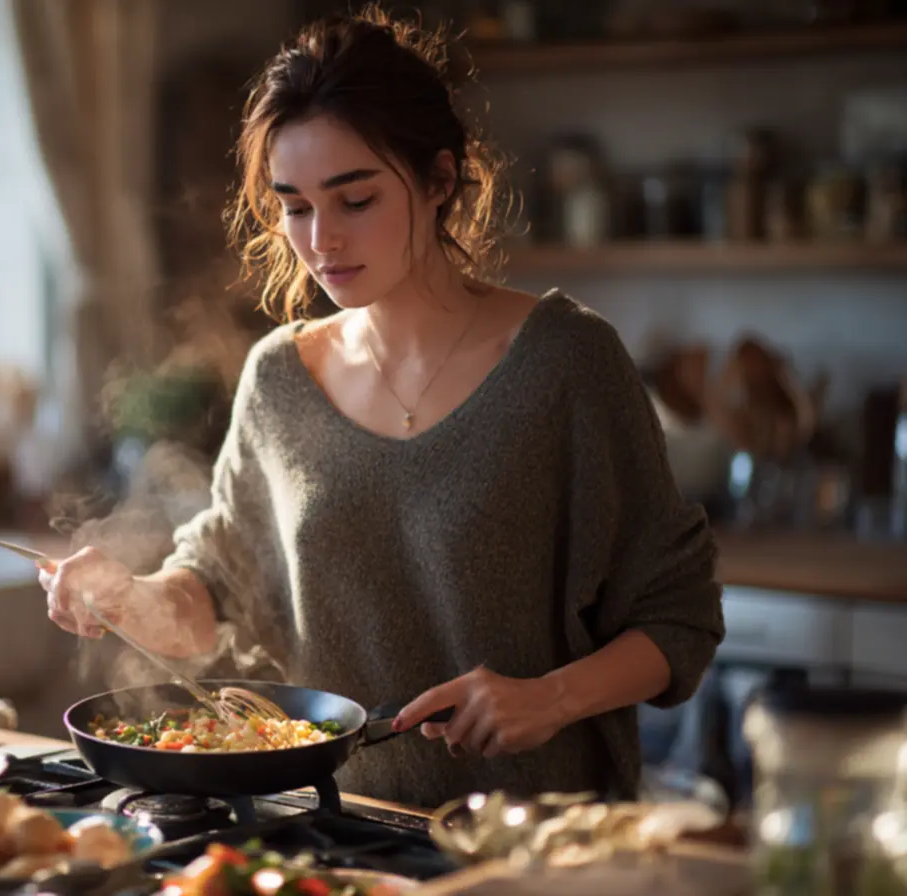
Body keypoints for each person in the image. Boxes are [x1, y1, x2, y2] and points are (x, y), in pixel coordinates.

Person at [37, 6, 725, 809]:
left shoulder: (565, 362)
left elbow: (679, 616)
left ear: (438, 181)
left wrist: (551, 698)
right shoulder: (279, 380)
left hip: (531, 845)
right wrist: (124, 596)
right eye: (295, 206)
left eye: (354, 199)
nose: (322, 238)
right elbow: (209, 601)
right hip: (339, 832)